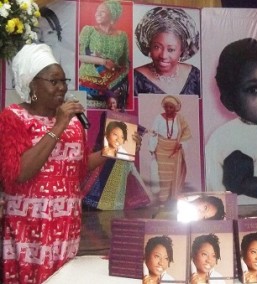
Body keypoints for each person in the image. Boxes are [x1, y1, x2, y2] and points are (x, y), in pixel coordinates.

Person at [0, 43, 109, 284]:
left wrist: (112, 151)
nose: (62, 87)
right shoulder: (13, 117)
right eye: (54, 81)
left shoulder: (73, 123)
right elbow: (18, 173)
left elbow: (77, 169)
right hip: (29, 224)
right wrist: (58, 126)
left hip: (65, 221)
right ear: (32, 84)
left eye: (64, 80)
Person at [205, 38, 257, 203]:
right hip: (241, 219)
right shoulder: (228, 137)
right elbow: (238, 184)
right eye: (253, 89)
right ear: (229, 100)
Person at [81, 100, 152, 210]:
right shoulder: (106, 115)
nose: (112, 105)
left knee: (122, 184)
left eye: (114, 103)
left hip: (122, 157)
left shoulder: (124, 115)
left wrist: (133, 144)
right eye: (110, 104)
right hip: (107, 155)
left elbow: (133, 129)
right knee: (104, 181)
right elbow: (103, 134)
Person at [134, 7, 200, 96]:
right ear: (149, 46)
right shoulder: (135, 78)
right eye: (157, 47)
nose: (163, 56)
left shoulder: (195, 76)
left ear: (182, 50)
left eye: (171, 49)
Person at [78, 0, 129, 109]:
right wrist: (103, 62)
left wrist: (115, 83)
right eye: (97, 11)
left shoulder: (122, 36)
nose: (98, 14)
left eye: (102, 12)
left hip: (113, 88)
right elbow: (79, 56)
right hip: (88, 84)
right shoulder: (89, 30)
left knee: (110, 123)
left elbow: (124, 63)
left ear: (112, 15)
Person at [149, 95, 191, 203]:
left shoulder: (180, 118)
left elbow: (186, 132)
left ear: (175, 108)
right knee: (163, 176)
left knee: (174, 176)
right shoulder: (158, 117)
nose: (168, 109)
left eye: (171, 107)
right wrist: (152, 148)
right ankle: (163, 200)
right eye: (166, 107)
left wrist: (181, 143)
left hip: (175, 151)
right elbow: (154, 133)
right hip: (161, 150)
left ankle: (173, 200)